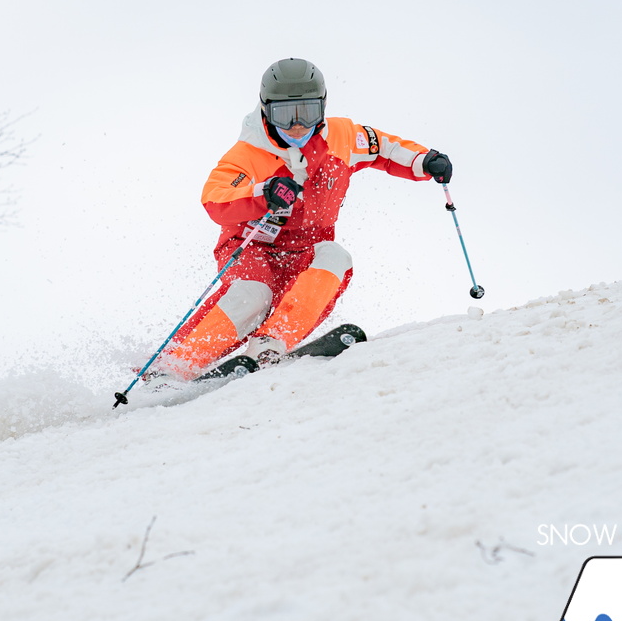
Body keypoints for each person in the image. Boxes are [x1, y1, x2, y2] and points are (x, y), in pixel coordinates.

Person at [152, 58, 453, 380]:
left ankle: (271, 343)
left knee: (336, 257)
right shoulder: (248, 154)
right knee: (254, 294)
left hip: (307, 247)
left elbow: (387, 149)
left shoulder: (343, 137)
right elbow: (216, 198)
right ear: (266, 111)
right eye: (285, 115)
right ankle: (176, 366)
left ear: (322, 108)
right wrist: (263, 192)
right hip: (253, 246)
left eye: (307, 113)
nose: (297, 125)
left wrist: (424, 161)